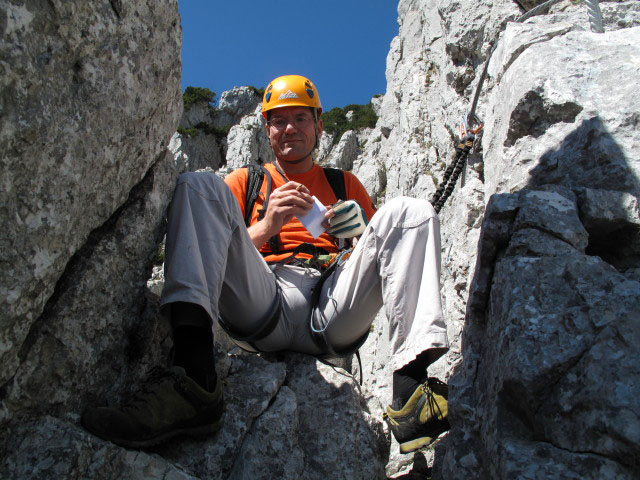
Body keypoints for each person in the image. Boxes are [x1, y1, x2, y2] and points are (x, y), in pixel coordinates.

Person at [82, 75, 449, 454]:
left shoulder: (346, 185)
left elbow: (383, 266)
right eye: (278, 120)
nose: (290, 128)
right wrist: (267, 226)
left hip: (332, 308)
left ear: (319, 126)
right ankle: (195, 377)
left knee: (412, 211)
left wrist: (356, 238)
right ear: (267, 130)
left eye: (301, 119)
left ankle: (410, 390)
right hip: (263, 300)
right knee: (197, 185)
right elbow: (212, 252)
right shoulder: (248, 180)